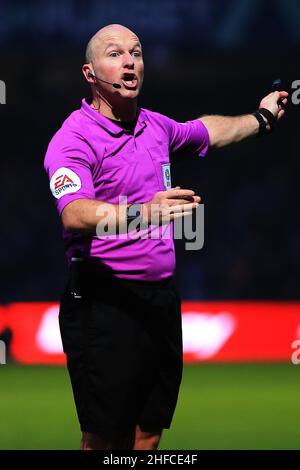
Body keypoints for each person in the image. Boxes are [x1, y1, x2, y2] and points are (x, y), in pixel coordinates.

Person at [44, 24, 288, 450]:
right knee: (105, 438)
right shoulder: (73, 139)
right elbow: (74, 213)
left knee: (149, 432)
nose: (129, 61)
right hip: (103, 302)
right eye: (115, 53)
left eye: (136, 52)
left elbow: (207, 131)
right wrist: (143, 212)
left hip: (159, 299)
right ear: (90, 72)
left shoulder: (155, 127)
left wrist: (262, 118)